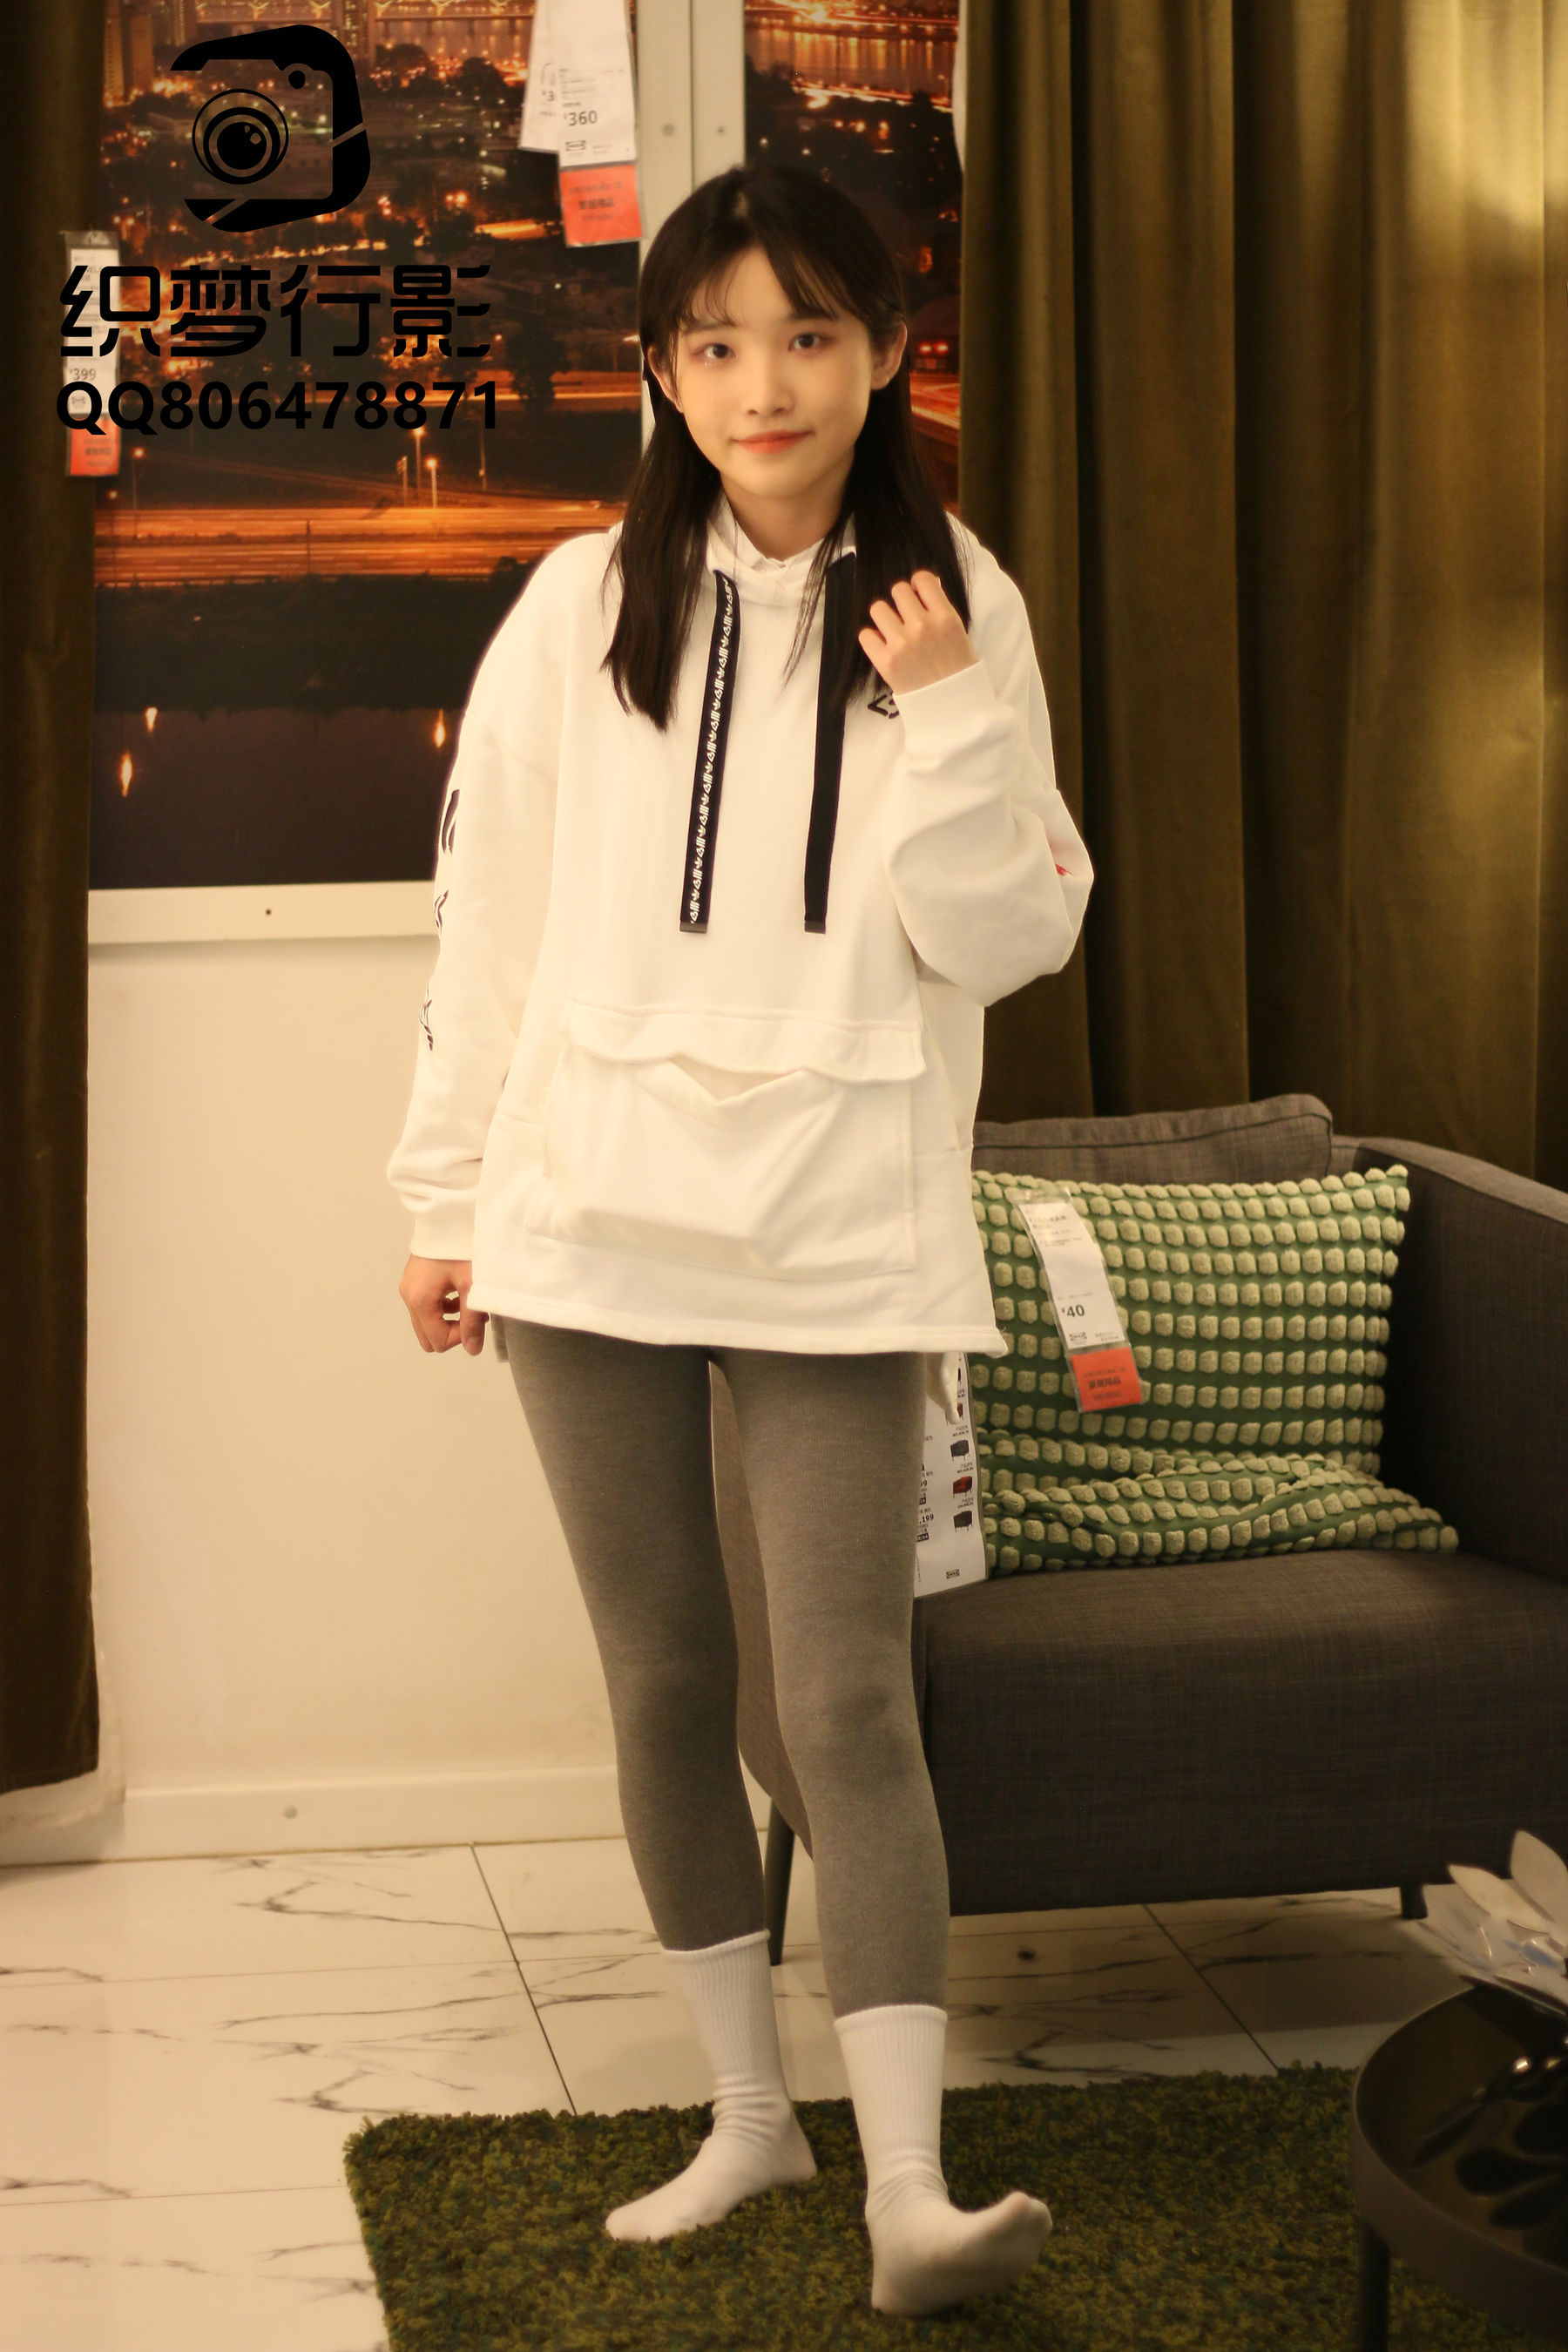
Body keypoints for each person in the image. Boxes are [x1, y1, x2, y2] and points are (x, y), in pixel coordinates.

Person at [388, 159, 1093, 2320]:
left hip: (836, 1231)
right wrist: (442, 1197)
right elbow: (489, 922)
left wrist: (951, 711)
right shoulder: (576, 604)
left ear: (885, 353)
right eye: (715, 343)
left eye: (806, 335)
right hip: (588, 1217)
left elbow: (1010, 939)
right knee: (666, 1683)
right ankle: (747, 2117)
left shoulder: (958, 605)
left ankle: (911, 2193)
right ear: (665, 373)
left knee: (846, 1703)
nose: (762, 383)